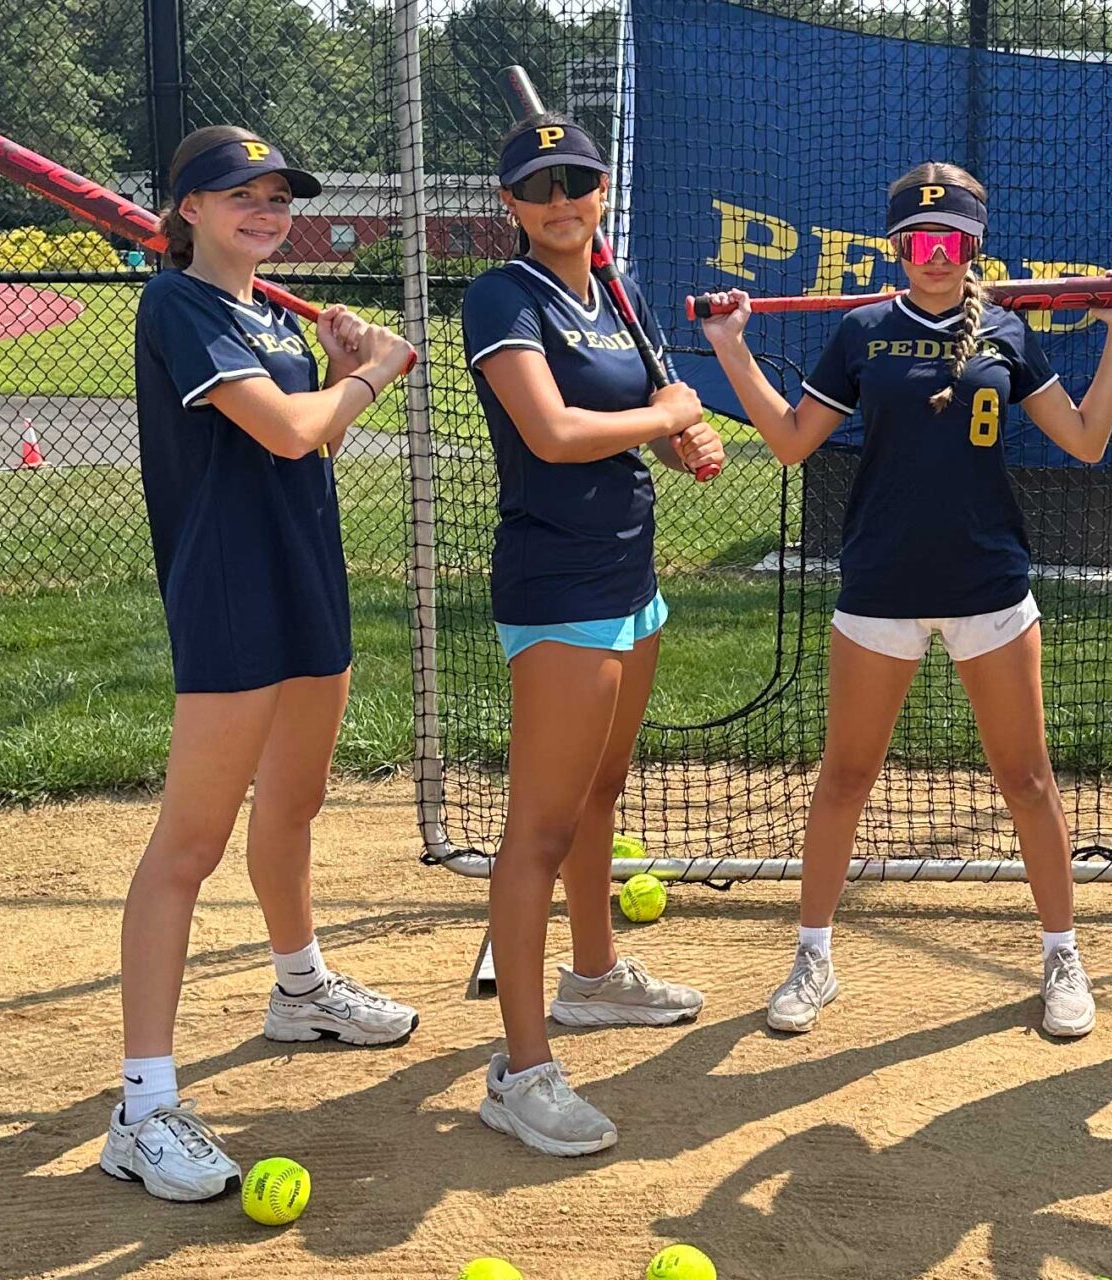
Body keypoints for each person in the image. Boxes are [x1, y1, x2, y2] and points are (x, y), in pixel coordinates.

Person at [697, 162, 1112, 1040]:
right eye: (919, 242)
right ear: (897, 249)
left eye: (953, 241)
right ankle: (813, 954)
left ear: (975, 246)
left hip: (987, 583)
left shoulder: (1010, 334)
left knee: (1025, 777)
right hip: (881, 582)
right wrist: (732, 351)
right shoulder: (862, 331)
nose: (936, 256)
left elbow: (1087, 442)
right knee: (845, 777)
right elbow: (790, 442)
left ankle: (1062, 954)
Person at [105, 125, 419, 1201]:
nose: (264, 207)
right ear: (187, 208)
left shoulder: (258, 317)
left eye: (277, 194)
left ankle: (300, 990)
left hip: (304, 579)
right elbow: (287, 432)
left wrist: (334, 369)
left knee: (295, 805)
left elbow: (303, 436)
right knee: (188, 844)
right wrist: (369, 375)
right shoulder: (179, 305)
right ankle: (142, 1106)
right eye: (237, 192)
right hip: (232, 593)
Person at [463, 114, 726, 1158]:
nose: (563, 199)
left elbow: (635, 434)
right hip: (558, 584)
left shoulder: (614, 297)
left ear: (602, 188)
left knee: (601, 795)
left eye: (578, 179)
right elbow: (553, 433)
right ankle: (518, 1069)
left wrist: (680, 435)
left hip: (630, 575)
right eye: (540, 187)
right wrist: (663, 416)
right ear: (512, 208)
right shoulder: (504, 296)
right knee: (536, 826)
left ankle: (592, 976)